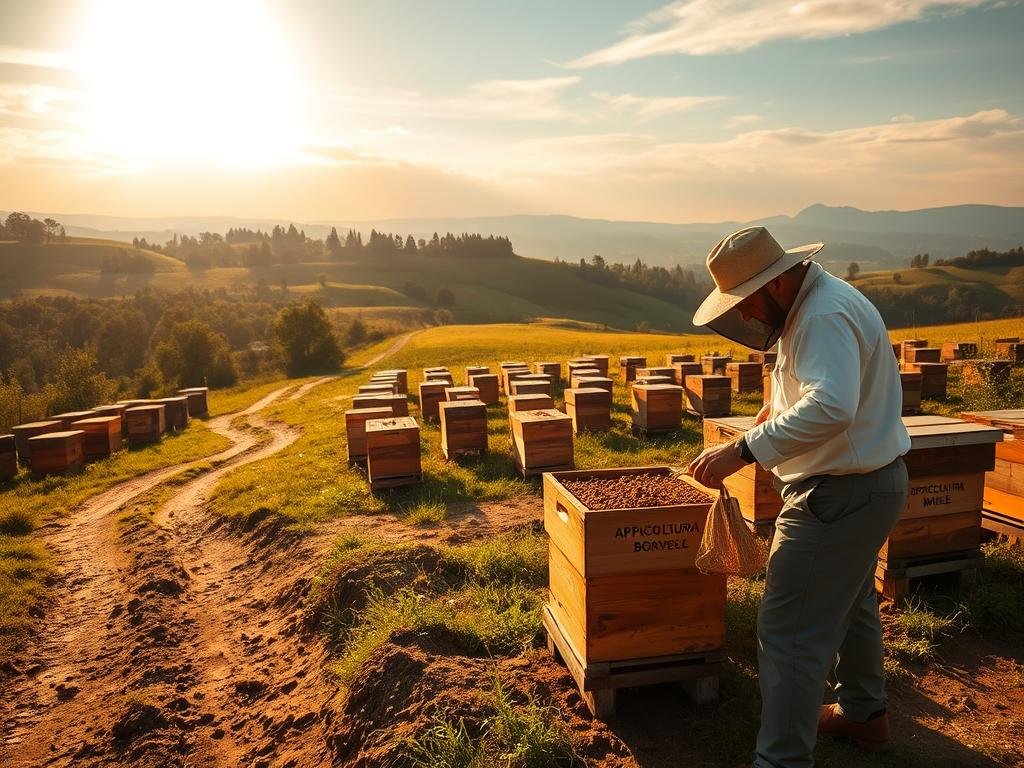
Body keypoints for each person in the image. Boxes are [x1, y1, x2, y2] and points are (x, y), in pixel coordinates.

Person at [686, 226, 911, 768]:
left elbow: (833, 406)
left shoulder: (822, 315)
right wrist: (773, 412)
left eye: (746, 301)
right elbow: (815, 386)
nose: (742, 315)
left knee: (787, 630)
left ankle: (781, 759)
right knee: (851, 603)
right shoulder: (814, 303)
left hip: (838, 494)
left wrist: (744, 449)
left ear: (779, 282)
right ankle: (864, 715)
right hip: (865, 486)